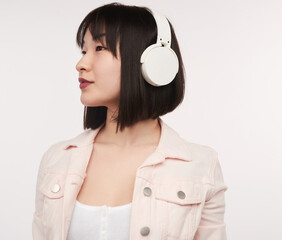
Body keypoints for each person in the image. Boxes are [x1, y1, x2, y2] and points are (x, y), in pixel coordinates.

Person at [32, 2, 228, 240]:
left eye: (100, 48)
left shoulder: (200, 165)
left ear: (153, 64)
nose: (81, 64)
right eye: (84, 51)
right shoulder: (57, 159)